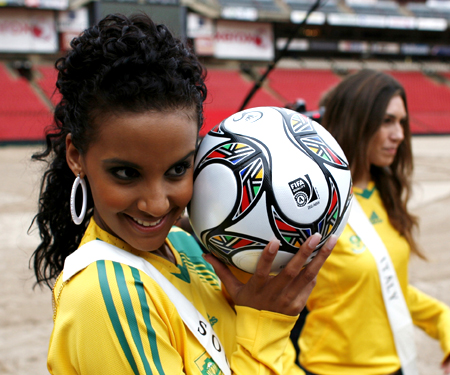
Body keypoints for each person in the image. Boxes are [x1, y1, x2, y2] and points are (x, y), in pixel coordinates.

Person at [29, 13, 336, 375]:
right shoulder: (105, 293)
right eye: (126, 173)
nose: (157, 203)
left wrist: (252, 305)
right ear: (76, 157)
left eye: (177, 169)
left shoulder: (188, 245)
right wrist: (265, 323)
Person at [296, 69, 450, 375]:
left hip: (398, 367)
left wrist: (445, 325)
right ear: (356, 120)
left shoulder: (385, 192)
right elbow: (266, 305)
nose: (400, 134)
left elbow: (388, 287)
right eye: (387, 121)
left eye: (402, 122)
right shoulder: (310, 204)